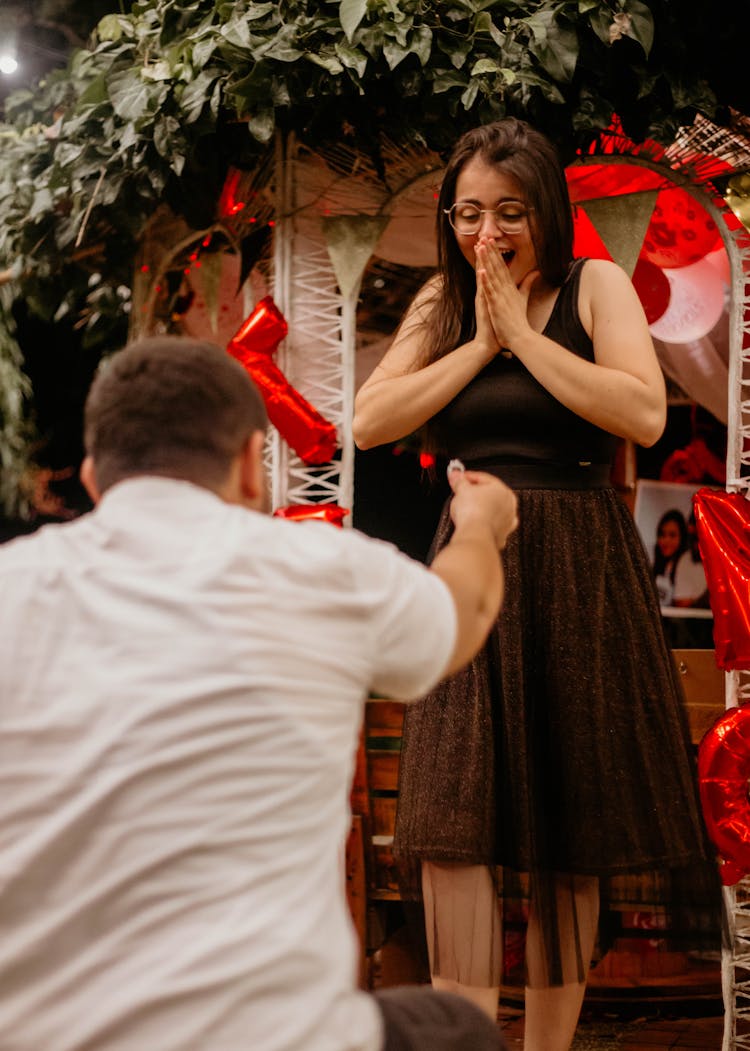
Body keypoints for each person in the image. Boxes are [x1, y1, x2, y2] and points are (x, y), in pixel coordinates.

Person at [0, 336, 519, 1051]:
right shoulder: (320, 570)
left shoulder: (12, 585)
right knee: (458, 1031)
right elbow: (460, 615)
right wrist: (481, 528)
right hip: (273, 1037)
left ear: (94, 475)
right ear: (252, 464)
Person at [352, 118, 719, 1051]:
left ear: (544, 212)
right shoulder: (442, 297)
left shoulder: (595, 286)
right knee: (455, 815)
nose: (488, 231)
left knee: (573, 818)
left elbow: (638, 410)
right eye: (470, 212)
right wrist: (479, 343)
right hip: (474, 551)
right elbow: (369, 420)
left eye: (509, 212)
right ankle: (469, 1039)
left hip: (578, 559)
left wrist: (524, 332)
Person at [652, 508, 688, 607]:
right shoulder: (655, 566)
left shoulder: (686, 568)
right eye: (662, 534)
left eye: (672, 535)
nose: (665, 540)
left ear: (682, 538)